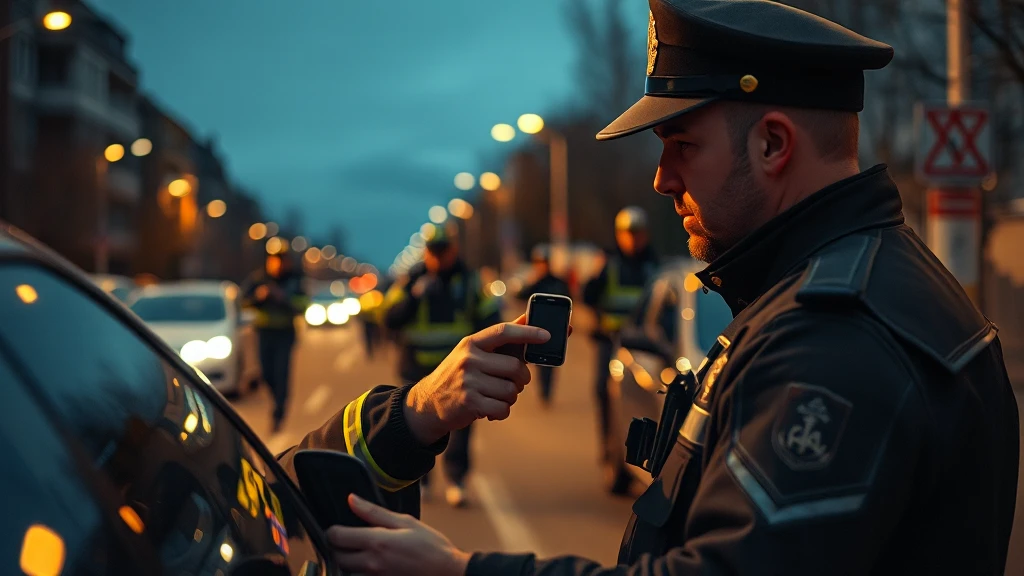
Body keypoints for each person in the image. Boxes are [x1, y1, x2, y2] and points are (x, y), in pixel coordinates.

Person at [318, 0, 1020, 574]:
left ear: (774, 145)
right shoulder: (844, 286)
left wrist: (462, 573)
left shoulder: (833, 340)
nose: (663, 179)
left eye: (682, 146)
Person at [379, 221, 502, 507]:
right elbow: (389, 317)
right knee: (415, 427)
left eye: (443, 250)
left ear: (454, 250)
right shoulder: (411, 281)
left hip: (459, 367)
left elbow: (488, 316)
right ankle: (421, 481)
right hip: (416, 367)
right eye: (433, 251)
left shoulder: (469, 281)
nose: (437, 256)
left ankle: (456, 480)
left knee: (462, 425)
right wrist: (414, 296)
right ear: (425, 252)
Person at [583, 206, 658, 462]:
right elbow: (587, 296)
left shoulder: (654, 265)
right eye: (627, 233)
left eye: (636, 233)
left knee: (647, 396)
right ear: (618, 235)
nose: (632, 239)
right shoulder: (608, 264)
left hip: (643, 344)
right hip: (611, 341)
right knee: (604, 391)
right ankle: (609, 446)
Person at [241, 253, 309, 433]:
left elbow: (303, 305)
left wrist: (283, 298)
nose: (276, 264)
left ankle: (279, 411)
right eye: (273, 260)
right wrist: (259, 297)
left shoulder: (293, 280)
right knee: (265, 373)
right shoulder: (259, 279)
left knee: (281, 373)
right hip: (264, 333)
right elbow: (244, 301)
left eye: (280, 260)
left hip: (285, 333)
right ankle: (276, 400)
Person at [513, 244, 570, 406]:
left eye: (542, 262)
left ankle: (547, 392)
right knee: (539, 362)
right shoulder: (535, 283)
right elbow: (520, 295)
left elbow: (568, 299)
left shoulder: (557, 282)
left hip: (556, 329)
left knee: (551, 363)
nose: (540, 265)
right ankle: (544, 392)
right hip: (536, 330)